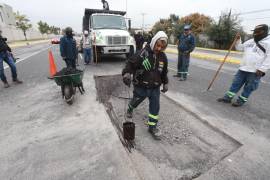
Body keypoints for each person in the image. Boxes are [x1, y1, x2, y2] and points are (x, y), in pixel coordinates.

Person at [122, 31, 169, 139]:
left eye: (162, 47)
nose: (158, 49)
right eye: (157, 45)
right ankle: (130, 108)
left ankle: (152, 127)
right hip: (141, 87)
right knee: (135, 101)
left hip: (155, 88)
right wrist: (127, 73)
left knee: (155, 108)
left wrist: (165, 83)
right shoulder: (143, 53)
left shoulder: (163, 57)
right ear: (154, 42)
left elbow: (164, 72)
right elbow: (130, 63)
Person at [217, 24, 270, 107]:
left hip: (255, 71)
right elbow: (240, 48)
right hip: (243, 68)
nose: (255, 33)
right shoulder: (251, 41)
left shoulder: (268, 43)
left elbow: (269, 58)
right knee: (235, 83)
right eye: (254, 32)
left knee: (249, 87)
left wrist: (262, 69)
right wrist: (238, 40)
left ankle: (241, 101)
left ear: (264, 32)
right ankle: (227, 98)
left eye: (257, 32)